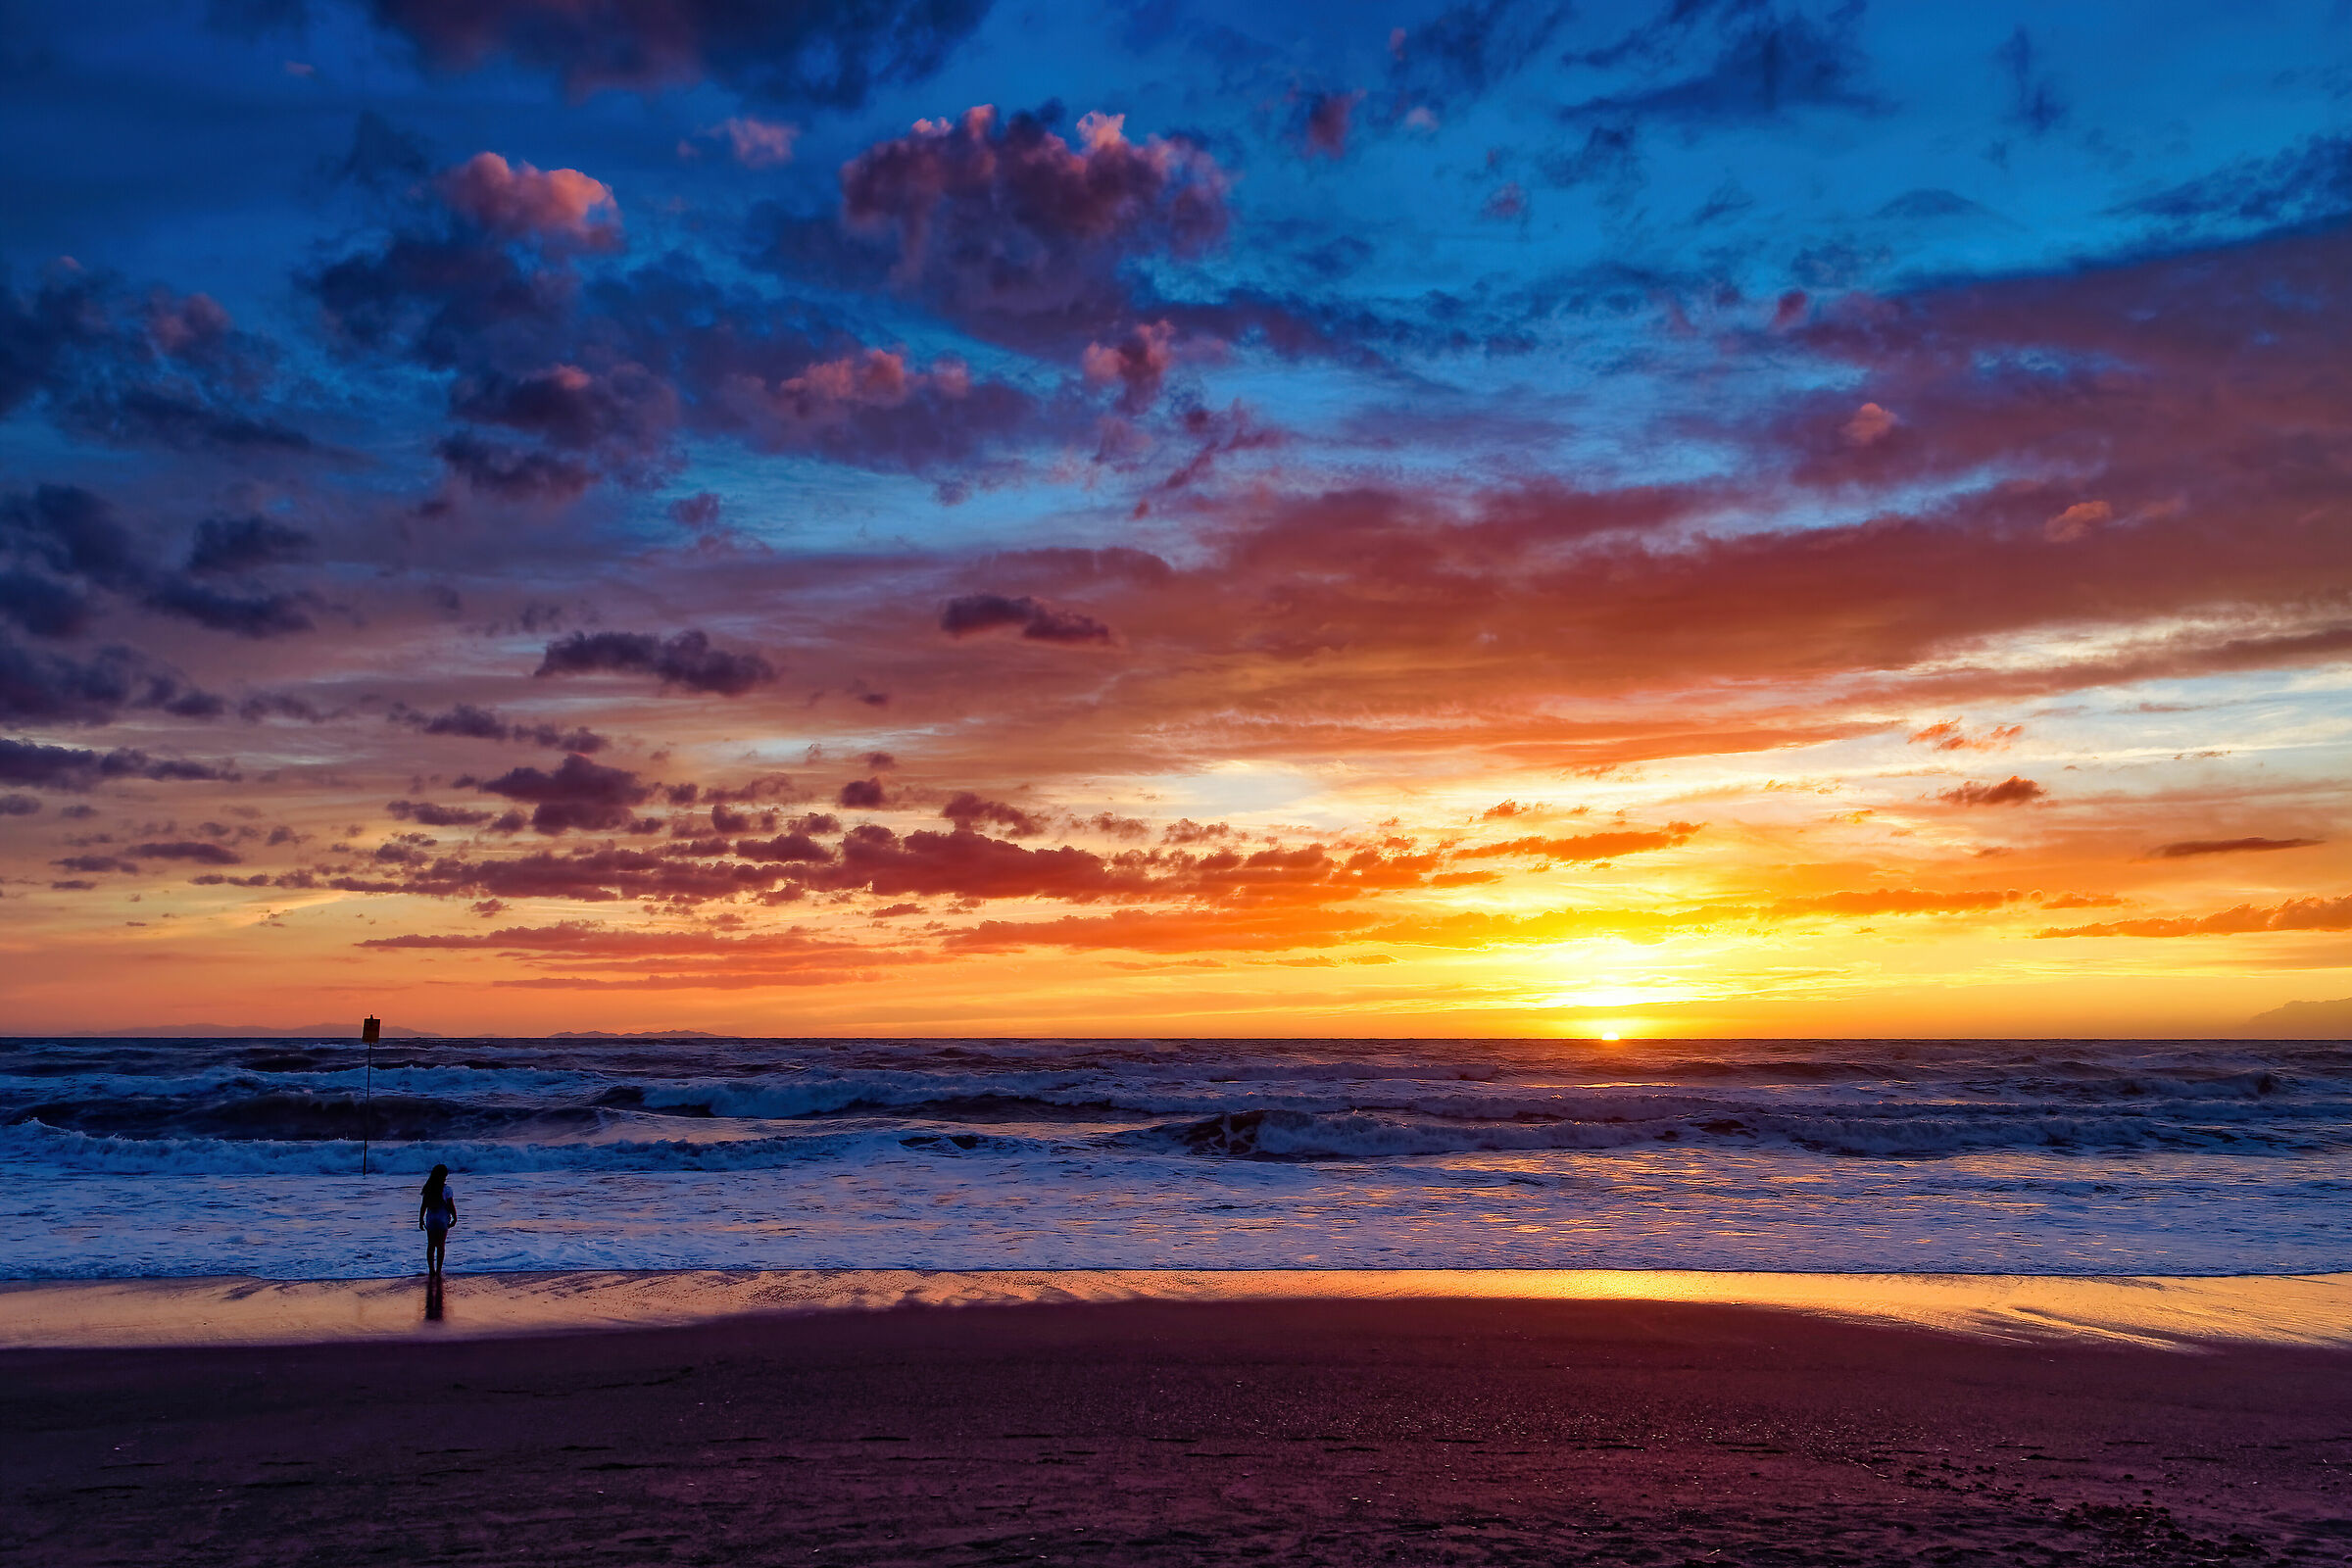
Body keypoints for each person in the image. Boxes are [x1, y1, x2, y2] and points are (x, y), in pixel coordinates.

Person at [418, 1164, 458, 1277]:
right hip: (442, 1219)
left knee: (431, 1245)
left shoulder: (428, 1188)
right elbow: (451, 1205)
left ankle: (431, 1270)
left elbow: (423, 1206)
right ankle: (439, 1270)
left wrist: (421, 1219)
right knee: (440, 1246)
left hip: (431, 1219)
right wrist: (455, 1217)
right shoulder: (446, 1190)